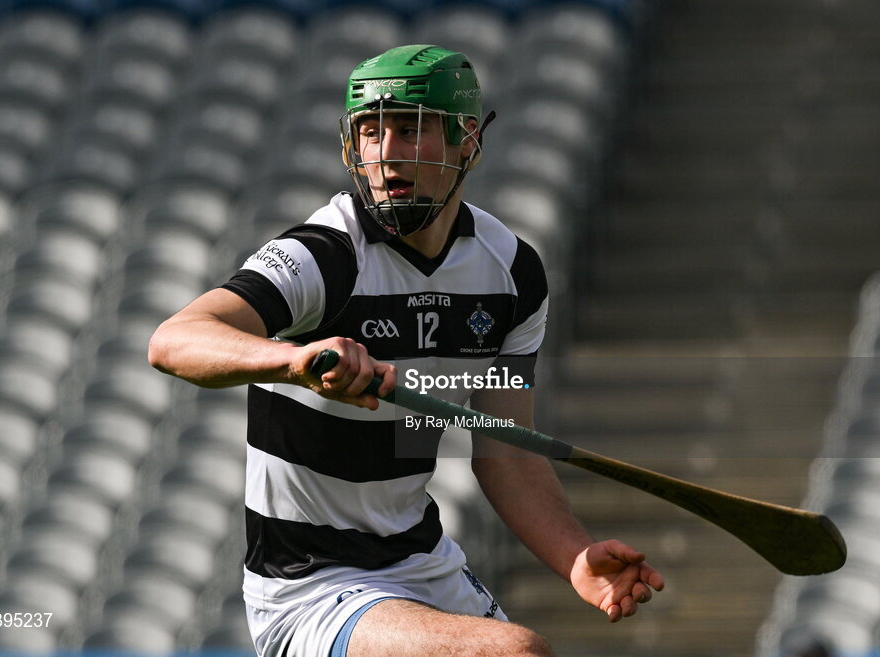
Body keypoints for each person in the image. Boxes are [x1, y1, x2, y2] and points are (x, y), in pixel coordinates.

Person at [149, 44, 663, 657]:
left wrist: (574, 555)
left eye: (411, 129)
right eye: (371, 130)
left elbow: (506, 452)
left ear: (465, 140)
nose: (386, 153)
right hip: (311, 584)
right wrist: (293, 361)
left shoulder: (511, 275)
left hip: (423, 563)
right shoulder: (325, 256)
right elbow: (173, 340)